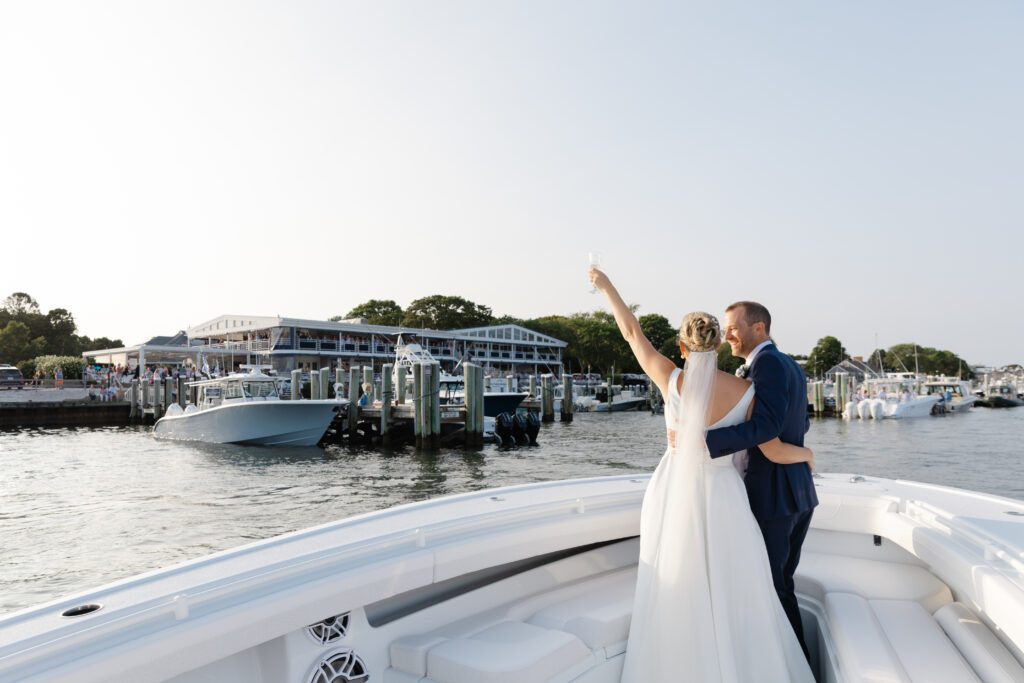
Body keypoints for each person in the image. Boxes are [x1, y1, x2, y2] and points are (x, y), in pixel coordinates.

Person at [590, 268, 814, 682]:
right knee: (738, 584)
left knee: (677, 577)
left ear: (681, 345)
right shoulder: (747, 392)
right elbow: (770, 443)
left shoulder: (668, 377)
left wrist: (605, 286)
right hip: (725, 493)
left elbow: (630, 331)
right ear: (717, 344)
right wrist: (806, 453)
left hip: (673, 490)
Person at [704, 301, 819, 661]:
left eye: (733, 328)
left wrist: (704, 441)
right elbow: (800, 423)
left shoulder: (766, 363)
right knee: (781, 585)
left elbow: (768, 427)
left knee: (771, 589)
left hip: (772, 495)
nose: (727, 336)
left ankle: (793, 668)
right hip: (796, 492)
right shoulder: (788, 364)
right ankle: (791, 664)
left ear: (759, 329)